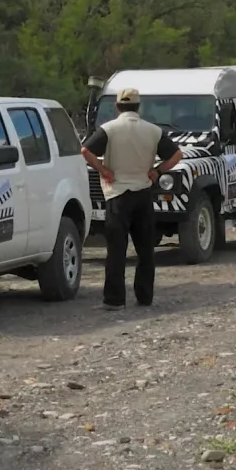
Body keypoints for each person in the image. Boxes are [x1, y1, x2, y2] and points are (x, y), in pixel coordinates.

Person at [82, 87, 183, 310]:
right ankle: (144, 296)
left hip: (117, 194)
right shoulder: (153, 131)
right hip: (143, 193)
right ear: (139, 107)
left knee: (116, 250)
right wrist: (157, 171)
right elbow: (177, 155)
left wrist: (102, 169)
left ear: (117, 106)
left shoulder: (109, 129)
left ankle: (115, 299)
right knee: (145, 249)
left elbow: (86, 151)